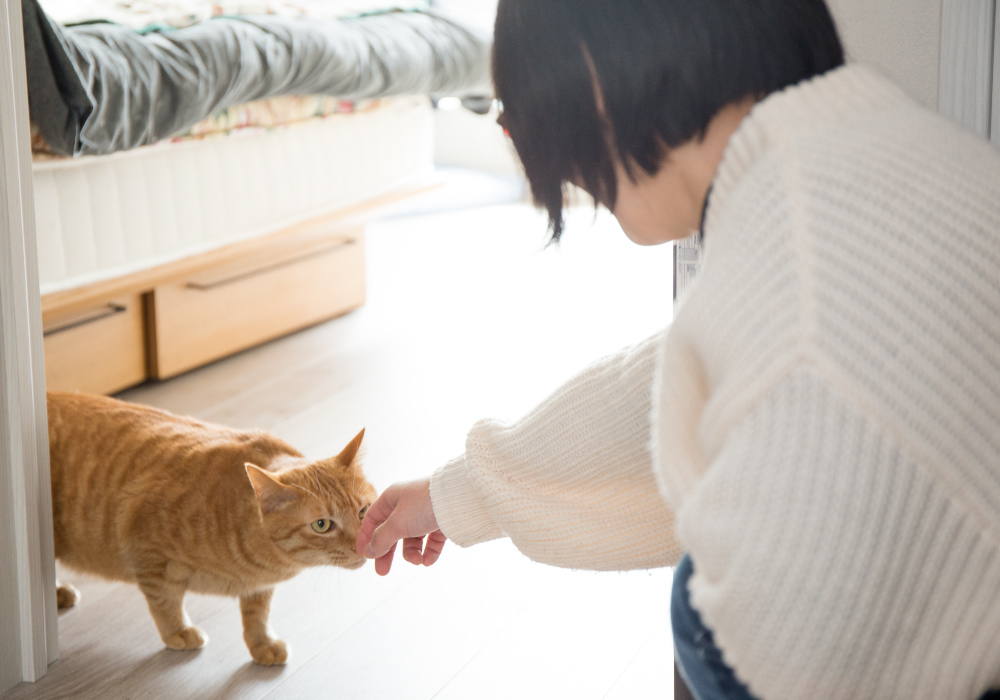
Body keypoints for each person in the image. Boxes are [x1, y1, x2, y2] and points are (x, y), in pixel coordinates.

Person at [355, 1, 1000, 698]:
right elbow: (676, 391)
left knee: (702, 606)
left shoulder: (796, 296)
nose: (542, 156)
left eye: (518, 114)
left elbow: (807, 655)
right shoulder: (876, 151)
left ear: (595, 76)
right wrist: (459, 494)